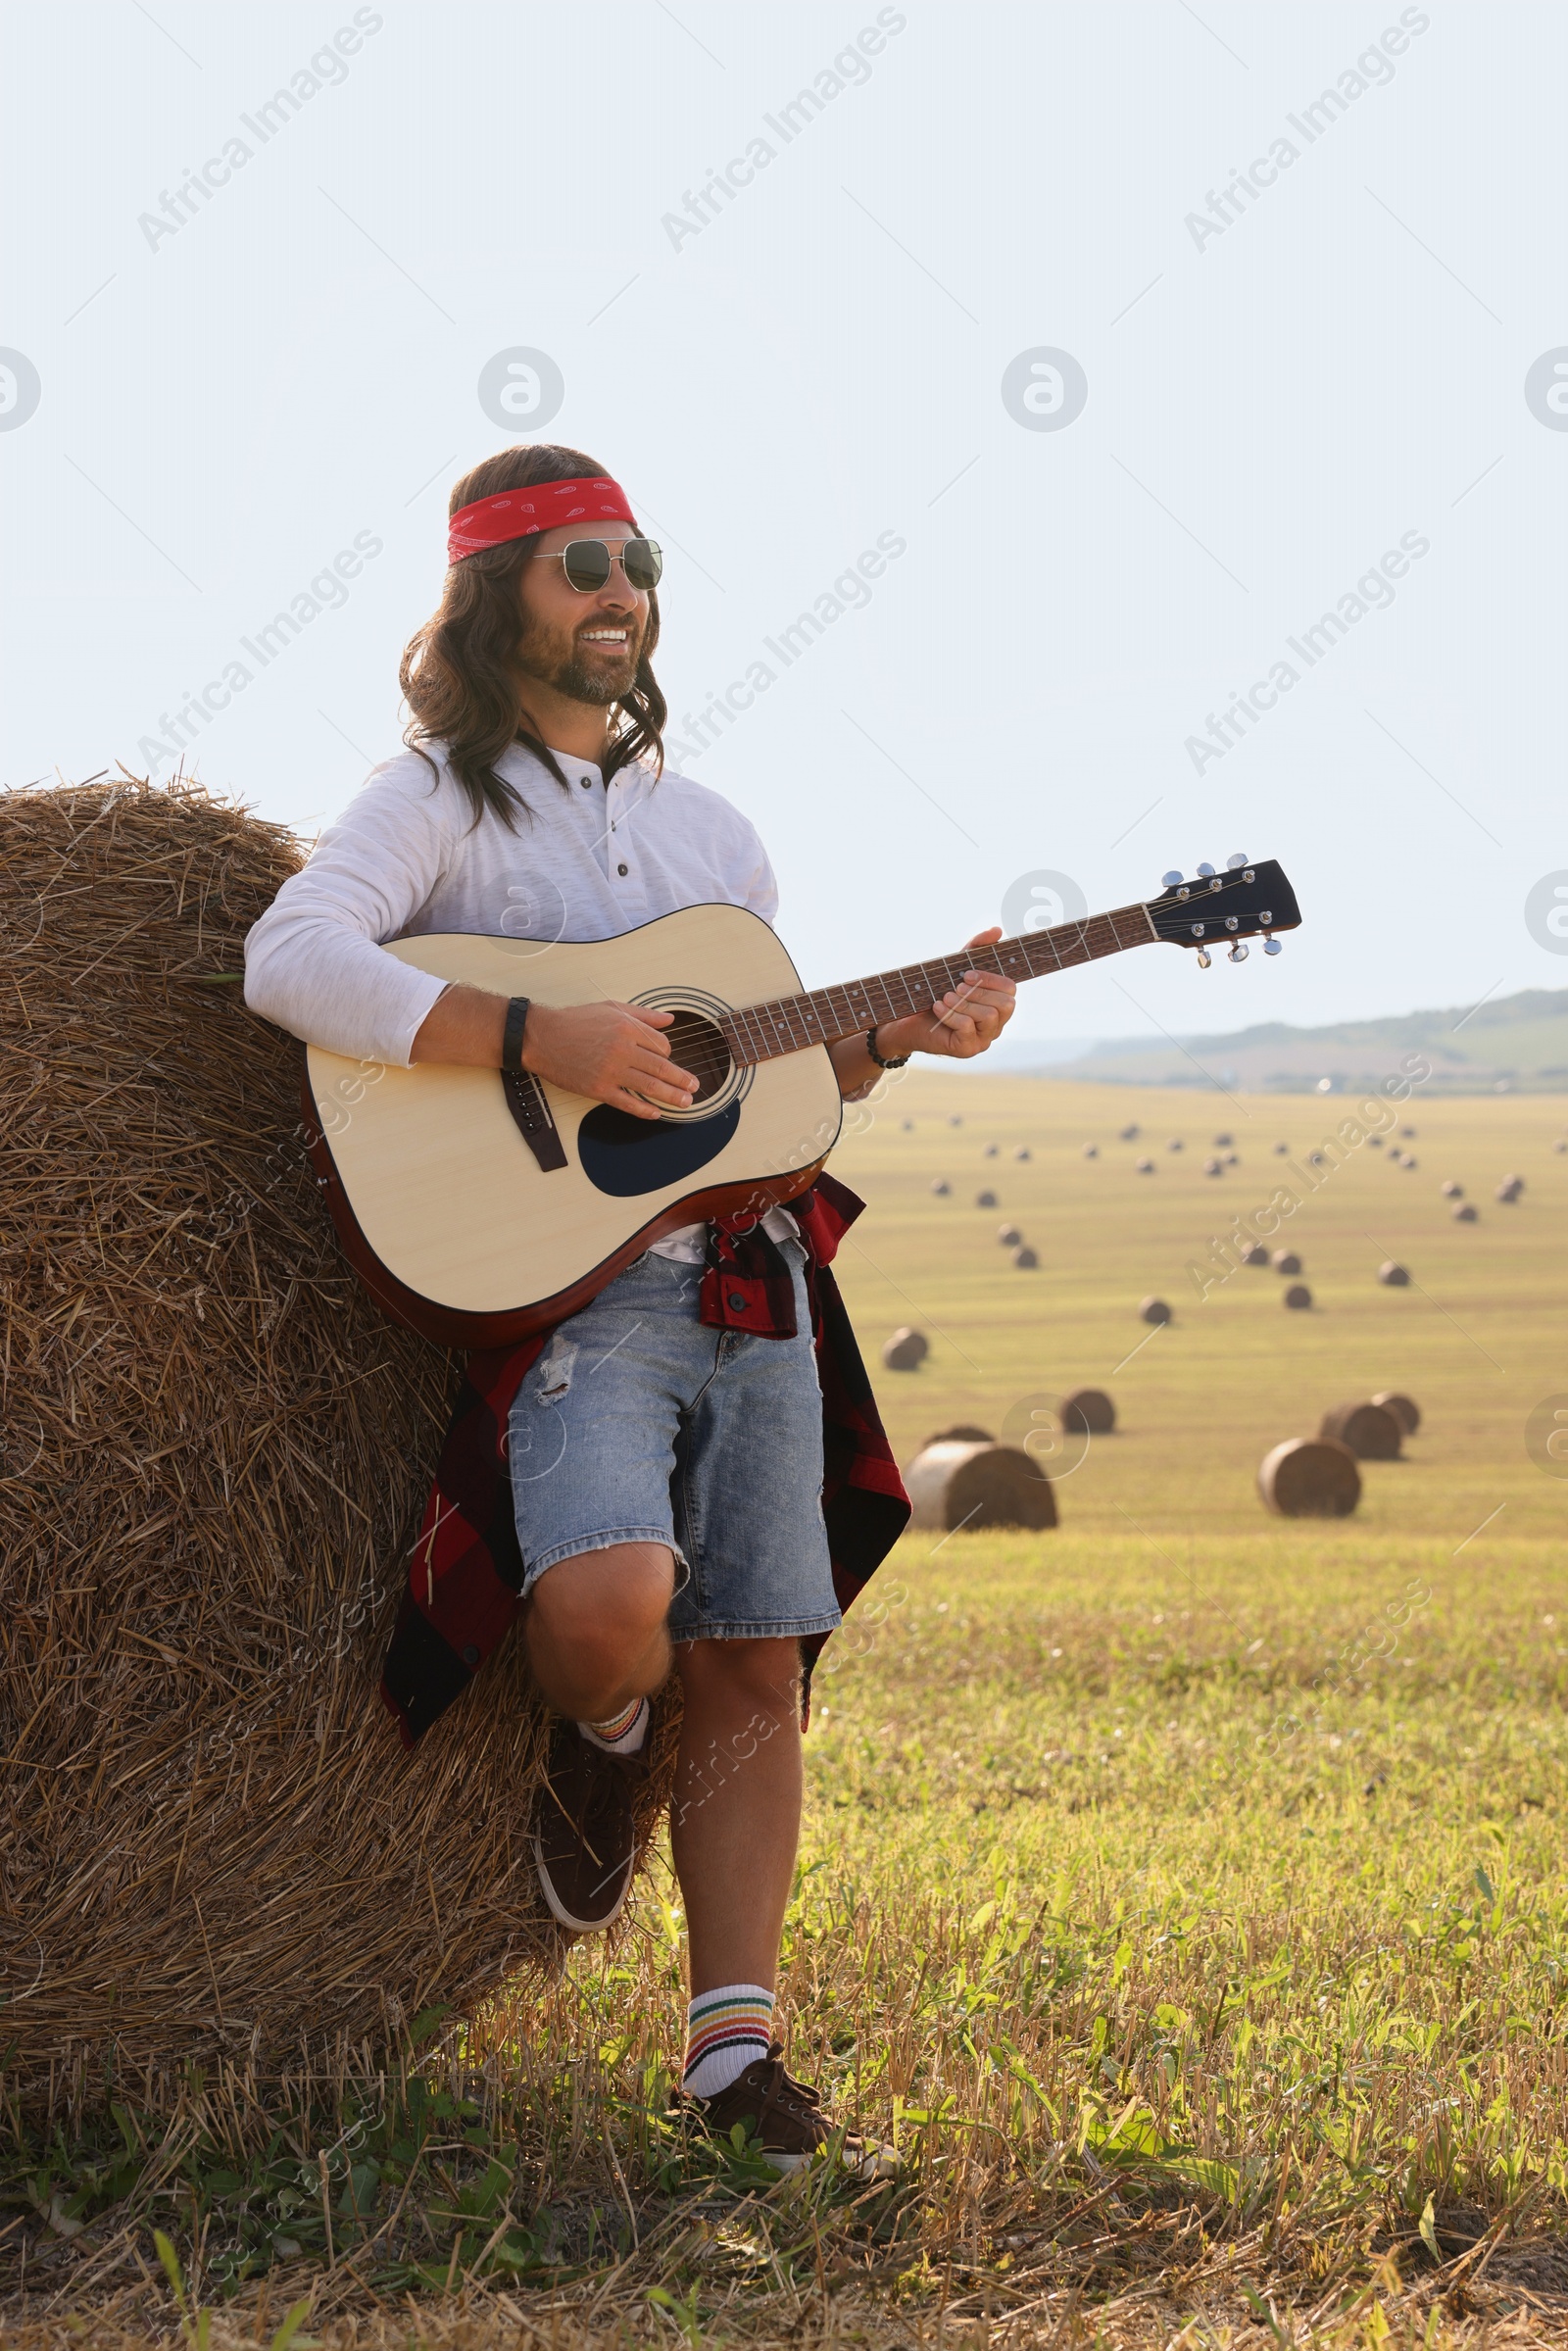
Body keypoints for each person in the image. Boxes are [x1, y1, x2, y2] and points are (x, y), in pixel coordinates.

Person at [244, 442, 1015, 2169]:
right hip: (572, 1307)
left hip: (752, 1282)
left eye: (639, 561)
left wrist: (892, 1037)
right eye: (580, 560)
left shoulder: (713, 832)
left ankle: (736, 2060)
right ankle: (598, 1739)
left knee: (753, 1663)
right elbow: (289, 959)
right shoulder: (433, 802)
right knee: (611, 1613)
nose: (621, 591)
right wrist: (543, 1037)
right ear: (492, 592)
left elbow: (759, 1093)